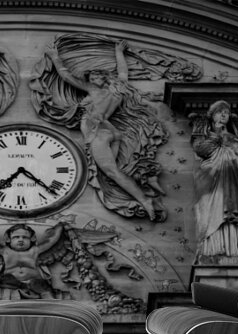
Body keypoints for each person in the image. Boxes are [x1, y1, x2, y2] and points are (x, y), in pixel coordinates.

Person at [47, 40, 161, 220]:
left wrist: (55, 58)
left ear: (101, 77)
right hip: (111, 131)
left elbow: (67, 76)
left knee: (111, 172)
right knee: (113, 171)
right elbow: (123, 72)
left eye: (94, 77)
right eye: (91, 78)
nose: (92, 80)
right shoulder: (119, 87)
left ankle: (144, 200)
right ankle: (141, 195)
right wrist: (119, 52)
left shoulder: (93, 90)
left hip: (98, 132)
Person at [192, 100, 238, 260]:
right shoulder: (208, 136)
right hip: (214, 183)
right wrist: (216, 136)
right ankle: (215, 247)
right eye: (219, 112)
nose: (223, 114)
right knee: (218, 210)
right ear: (212, 117)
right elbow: (200, 149)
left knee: (236, 211)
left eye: (226, 112)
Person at [0, 223, 65, 299]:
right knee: (4, 278)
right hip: (10, 284)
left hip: (34, 283)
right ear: (9, 239)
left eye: (25, 237)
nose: (21, 240)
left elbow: (51, 240)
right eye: (16, 237)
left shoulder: (35, 251)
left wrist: (61, 225)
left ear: (31, 239)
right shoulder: (5, 251)